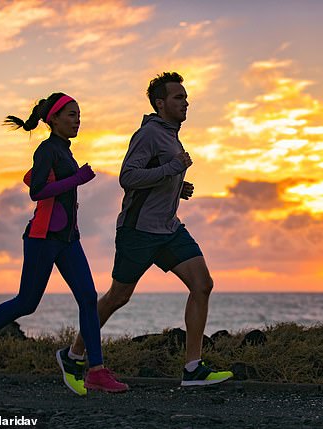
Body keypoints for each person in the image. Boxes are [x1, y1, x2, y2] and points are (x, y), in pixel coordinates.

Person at [55, 72, 233, 395]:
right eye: (179, 98)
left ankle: (193, 368)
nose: (186, 102)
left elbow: (157, 178)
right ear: (160, 103)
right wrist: (172, 170)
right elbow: (128, 177)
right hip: (138, 232)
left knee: (202, 284)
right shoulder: (149, 134)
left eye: (186, 97)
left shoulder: (172, 136)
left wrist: (177, 188)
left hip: (168, 229)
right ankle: (73, 355)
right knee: (117, 297)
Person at [0, 92, 128, 396]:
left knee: (88, 298)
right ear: (54, 120)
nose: (78, 120)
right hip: (42, 238)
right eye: (72, 115)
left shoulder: (65, 151)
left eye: (79, 115)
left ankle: (96, 371)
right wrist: (78, 179)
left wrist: (74, 180)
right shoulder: (46, 149)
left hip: (67, 238)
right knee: (27, 303)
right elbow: (37, 191)